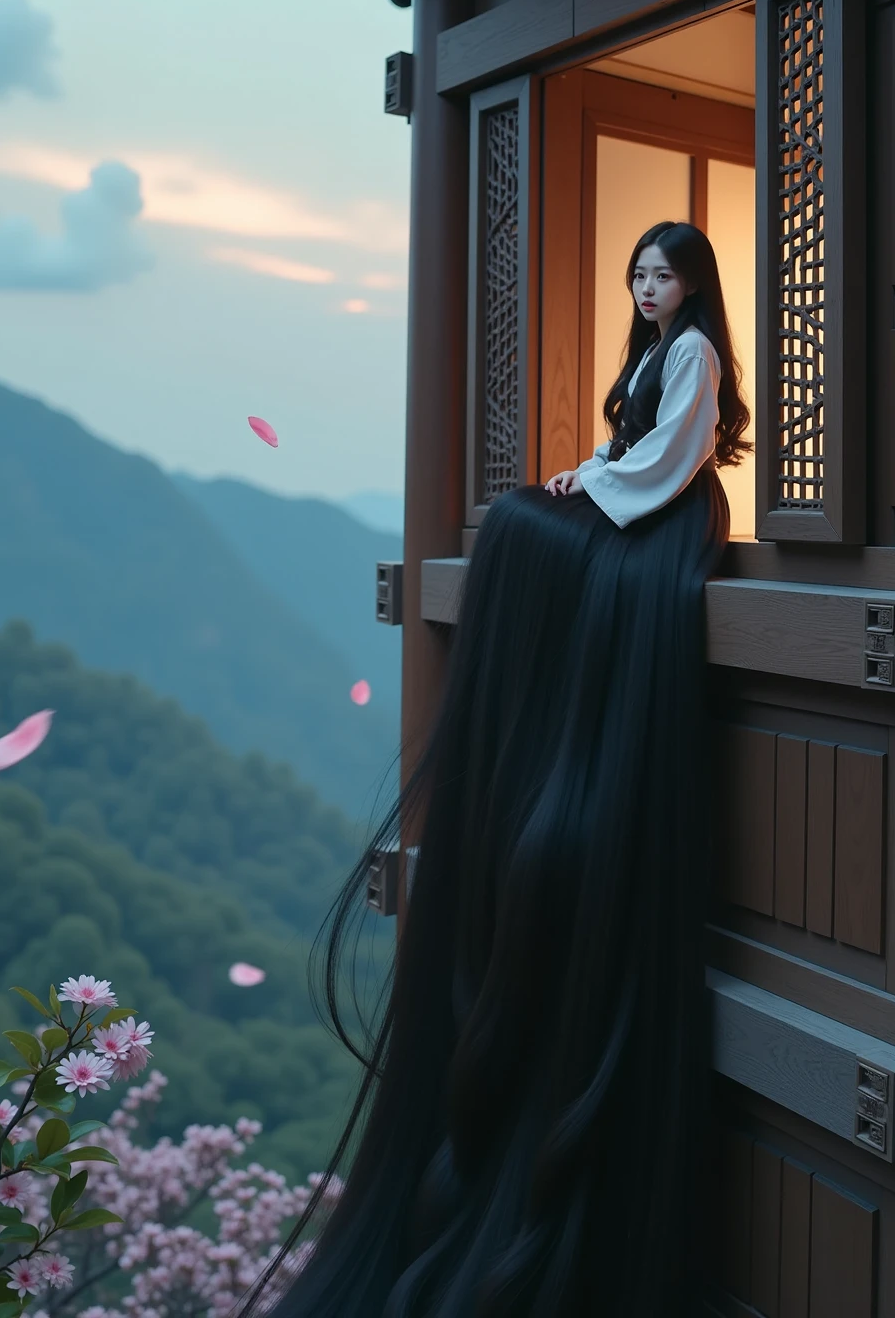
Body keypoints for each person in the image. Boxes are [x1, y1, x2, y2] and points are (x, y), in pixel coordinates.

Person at [250, 221, 751, 1318]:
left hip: (667, 525)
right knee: (525, 513)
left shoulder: (698, 354)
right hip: (636, 502)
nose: (648, 288)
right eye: (639, 275)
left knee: (527, 525)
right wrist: (584, 480)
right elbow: (627, 449)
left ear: (693, 283)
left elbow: (672, 458)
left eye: (663, 274)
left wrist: (602, 496)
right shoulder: (652, 350)